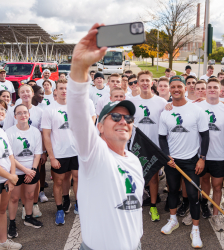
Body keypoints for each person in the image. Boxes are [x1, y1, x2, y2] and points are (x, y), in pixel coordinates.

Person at [67, 23, 144, 250]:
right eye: (115, 117)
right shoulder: (95, 154)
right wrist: (79, 67)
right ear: (99, 127)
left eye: (128, 118)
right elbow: (79, 114)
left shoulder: (134, 160)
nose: (123, 121)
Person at [158, 75, 209, 248]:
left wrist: (202, 158)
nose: (176, 89)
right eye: (173, 87)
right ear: (170, 89)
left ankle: (195, 229)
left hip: (192, 161)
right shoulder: (166, 111)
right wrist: (167, 156)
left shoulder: (196, 111)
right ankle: (173, 220)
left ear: (185, 88)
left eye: (179, 86)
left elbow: (205, 136)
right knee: (173, 191)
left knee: (193, 195)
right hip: (172, 161)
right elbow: (162, 138)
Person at [197, 78, 224, 231]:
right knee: (204, 183)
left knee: (217, 187)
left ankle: (215, 216)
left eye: (215, 87)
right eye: (210, 87)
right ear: (205, 90)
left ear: (221, 91)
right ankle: (204, 206)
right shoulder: (197, 105)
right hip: (202, 155)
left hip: (219, 155)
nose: (212, 89)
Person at [130, 70, 168, 222]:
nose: (145, 83)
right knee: (136, 177)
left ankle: (153, 206)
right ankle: (136, 205)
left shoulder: (162, 103)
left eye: (148, 80)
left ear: (153, 83)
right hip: (137, 146)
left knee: (153, 178)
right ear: (137, 83)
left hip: (154, 147)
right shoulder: (131, 102)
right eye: (142, 80)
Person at [42, 79, 79, 225]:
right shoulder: (49, 110)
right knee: (58, 182)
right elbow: (46, 135)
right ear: (55, 91)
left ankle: (78, 203)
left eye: (67, 88)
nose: (64, 91)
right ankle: (59, 210)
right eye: (61, 88)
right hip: (59, 154)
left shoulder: (76, 108)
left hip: (76, 152)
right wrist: (52, 157)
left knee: (77, 179)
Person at [7, 104, 43, 239]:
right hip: (15, 171)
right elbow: (10, 157)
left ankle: (28, 218)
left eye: (25, 113)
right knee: (14, 198)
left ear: (29, 114)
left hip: (31, 170)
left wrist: (32, 170)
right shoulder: (9, 132)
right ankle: (12, 223)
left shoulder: (35, 132)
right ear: (15, 116)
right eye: (19, 113)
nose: (23, 115)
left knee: (29, 196)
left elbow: (37, 154)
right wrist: (25, 170)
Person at [0, 100, 22, 249]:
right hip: (5, 177)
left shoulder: (2, 131)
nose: (1, 111)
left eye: (3, 109)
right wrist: (11, 177)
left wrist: (12, 176)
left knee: (2, 211)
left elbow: (10, 156)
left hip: (6, 179)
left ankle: (3, 242)